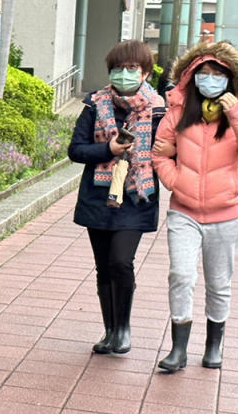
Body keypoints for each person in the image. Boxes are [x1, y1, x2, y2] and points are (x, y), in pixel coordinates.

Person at [152, 41, 238, 372]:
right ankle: (178, 349)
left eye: (217, 73)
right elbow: (161, 152)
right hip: (184, 211)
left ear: (231, 79)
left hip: (227, 214)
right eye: (202, 73)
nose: (209, 79)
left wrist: (235, 112)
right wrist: (175, 181)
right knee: (181, 274)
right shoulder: (179, 110)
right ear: (191, 76)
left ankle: (214, 346)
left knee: (218, 283)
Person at [68, 40, 166, 355]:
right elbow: (76, 150)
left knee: (121, 261)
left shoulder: (158, 110)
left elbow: (168, 152)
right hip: (99, 196)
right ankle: (109, 331)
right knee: (103, 266)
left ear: (146, 73)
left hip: (137, 196)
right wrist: (107, 150)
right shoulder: (94, 104)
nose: (124, 75)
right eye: (118, 69)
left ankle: (123, 330)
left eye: (132, 69)